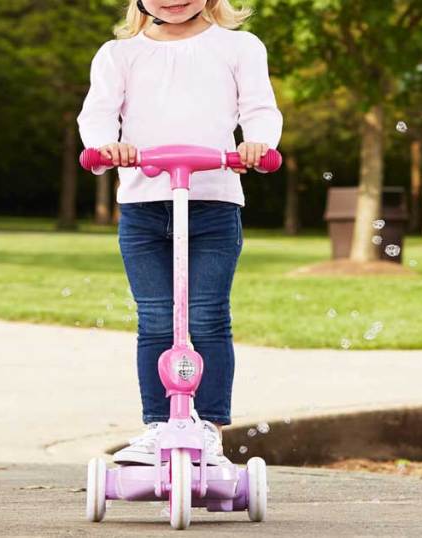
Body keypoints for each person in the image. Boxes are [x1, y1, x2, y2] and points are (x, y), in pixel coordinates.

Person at [77, 0, 283, 465]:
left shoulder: (238, 47)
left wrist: (258, 144)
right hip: (144, 205)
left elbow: (260, 109)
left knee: (208, 315)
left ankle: (207, 427)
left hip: (213, 201)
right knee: (154, 317)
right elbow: (97, 115)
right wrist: (106, 146)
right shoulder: (119, 54)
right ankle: (159, 425)